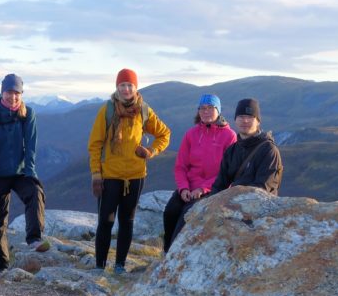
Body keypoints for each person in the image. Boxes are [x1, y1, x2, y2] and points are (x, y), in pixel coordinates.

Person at [167, 98, 283, 250]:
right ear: (235, 120)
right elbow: (220, 184)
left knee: (188, 216)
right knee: (185, 214)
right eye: (241, 117)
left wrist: (226, 201)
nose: (245, 121)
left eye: (250, 117)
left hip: (256, 211)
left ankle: (176, 255)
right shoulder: (233, 150)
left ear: (258, 121)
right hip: (232, 205)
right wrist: (210, 205)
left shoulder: (268, 151)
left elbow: (263, 189)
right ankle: (172, 255)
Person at [87, 68, 170, 272]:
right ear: (117, 87)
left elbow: (164, 134)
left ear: (136, 87)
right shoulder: (107, 110)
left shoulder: (143, 110)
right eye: (122, 85)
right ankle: (99, 265)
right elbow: (95, 144)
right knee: (106, 221)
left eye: (129, 85)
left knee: (127, 222)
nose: (126, 89)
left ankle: (120, 265)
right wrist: (96, 174)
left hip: (135, 176)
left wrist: (150, 151)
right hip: (110, 176)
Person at [0, 74, 50, 271]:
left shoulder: (28, 114)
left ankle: (34, 238)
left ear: (21, 94)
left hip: (20, 173)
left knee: (35, 193)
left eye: (17, 93)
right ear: (2, 93)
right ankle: (0, 264)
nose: (13, 97)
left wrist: (31, 173)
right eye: (9, 92)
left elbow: (31, 147)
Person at [162, 94, 237, 252]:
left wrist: (203, 189)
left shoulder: (229, 136)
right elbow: (180, 166)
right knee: (170, 211)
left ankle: (178, 255)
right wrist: (183, 188)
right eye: (202, 108)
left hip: (214, 189)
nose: (206, 111)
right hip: (188, 188)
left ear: (218, 111)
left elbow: (227, 172)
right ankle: (167, 253)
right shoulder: (191, 134)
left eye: (210, 108)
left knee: (186, 216)